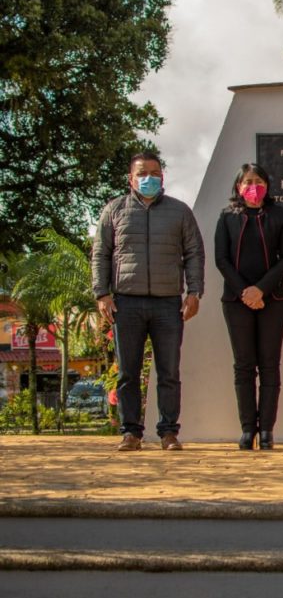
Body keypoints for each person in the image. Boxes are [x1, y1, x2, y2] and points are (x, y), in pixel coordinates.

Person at [91, 152, 204, 452]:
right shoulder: (114, 210)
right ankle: (131, 433)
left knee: (169, 371)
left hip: (168, 304)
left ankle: (168, 432)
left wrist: (194, 292)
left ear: (162, 177)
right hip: (125, 303)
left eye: (154, 173)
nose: (148, 178)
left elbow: (194, 253)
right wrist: (101, 293)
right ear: (131, 178)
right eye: (142, 173)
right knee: (128, 371)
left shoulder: (180, 212)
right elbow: (100, 253)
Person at [215, 163, 283, 451]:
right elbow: (221, 259)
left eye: (259, 180)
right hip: (237, 302)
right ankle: (248, 429)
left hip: (273, 300)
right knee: (244, 366)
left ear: (267, 185)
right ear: (238, 187)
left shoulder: (279, 215)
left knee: (270, 365)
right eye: (248, 181)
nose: (253, 185)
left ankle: (268, 430)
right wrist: (244, 292)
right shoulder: (227, 217)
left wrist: (261, 289)